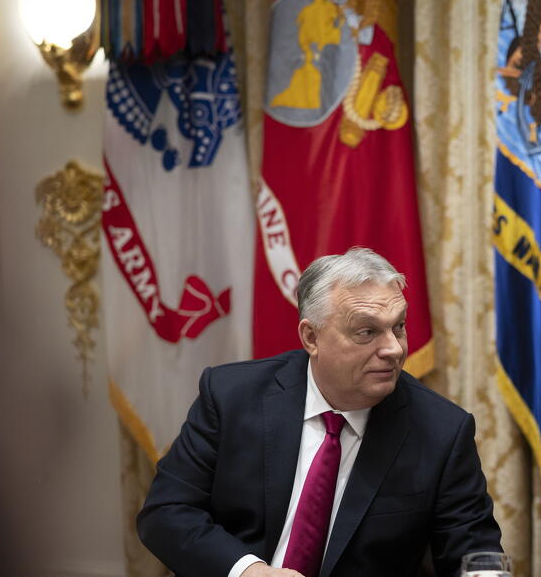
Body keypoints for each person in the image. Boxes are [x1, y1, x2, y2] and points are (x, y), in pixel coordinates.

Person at [138, 247, 502, 577]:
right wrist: (249, 572)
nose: (393, 349)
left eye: (399, 327)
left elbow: (473, 554)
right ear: (311, 338)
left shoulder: (441, 431)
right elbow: (167, 511)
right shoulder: (232, 396)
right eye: (367, 332)